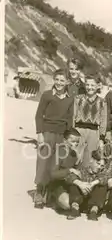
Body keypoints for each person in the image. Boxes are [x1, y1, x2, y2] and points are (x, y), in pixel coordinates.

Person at [33, 69, 75, 208]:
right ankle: (39, 192)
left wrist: (67, 138)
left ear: (67, 82)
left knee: (55, 165)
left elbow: (69, 119)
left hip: (62, 135)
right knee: (43, 162)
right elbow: (39, 115)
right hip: (47, 133)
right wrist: (40, 134)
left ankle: (50, 193)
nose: (59, 83)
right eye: (57, 79)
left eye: (62, 80)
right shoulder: (47, 95)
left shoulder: (70, 99)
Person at [64, 150, 112, 221]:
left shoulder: (103, 172)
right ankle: (75, 209)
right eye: (98, 163)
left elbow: (108, 176)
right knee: (74, 183)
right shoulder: (82, 170)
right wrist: (80, 184)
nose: (99, 167)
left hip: (93, 202)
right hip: (80, 201)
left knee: (102, 185)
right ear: (91, 160)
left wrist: (92, 184)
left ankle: (93, 211)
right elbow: (68, 177)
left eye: (102, 165)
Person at [72, 73, 107, 167]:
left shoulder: (102, 102)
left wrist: (101, 138)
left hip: (94, 132)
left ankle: (85, 178)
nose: (89, 87)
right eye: (87, 84)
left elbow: (103, 121)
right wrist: (72, 132)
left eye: (92, 85)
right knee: (76, 156)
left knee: (89, 158)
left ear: (98, 86)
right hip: (78, 131)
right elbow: (73, 116)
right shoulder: (78, 99)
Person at [47, 128, 81, 215]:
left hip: (69, 183)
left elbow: (78, 171)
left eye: (77, 142)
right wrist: (69, 170)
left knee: (78, 201)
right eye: (73, 141)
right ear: (65, 140)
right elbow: (52, 174)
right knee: (67, 204)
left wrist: (78, 162)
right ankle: (52, 197)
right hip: (57, 183)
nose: (75, 144)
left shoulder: (74, 154)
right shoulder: (59, 152)